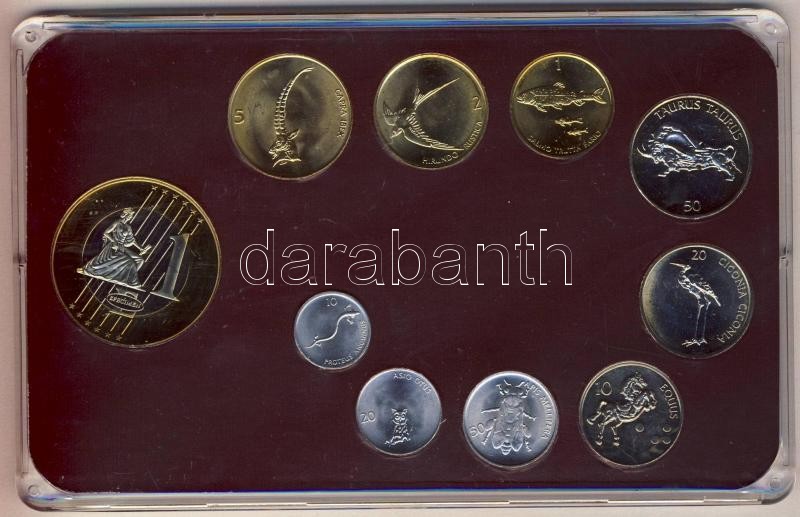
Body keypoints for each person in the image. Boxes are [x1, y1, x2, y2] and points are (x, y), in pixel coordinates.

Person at [78, 207, 152, 288]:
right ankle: (130, 280)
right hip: (113, 246)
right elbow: (106, 233)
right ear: (126, 214)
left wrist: (140, 248)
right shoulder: (117, 222)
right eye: (130, 215)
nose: (131, 217)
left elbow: (131, 240)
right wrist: (114, 242)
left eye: (131, 216)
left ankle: (127, 277)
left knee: (140, 260)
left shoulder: (128, 227)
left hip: (122, 247)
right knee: (130, 262)